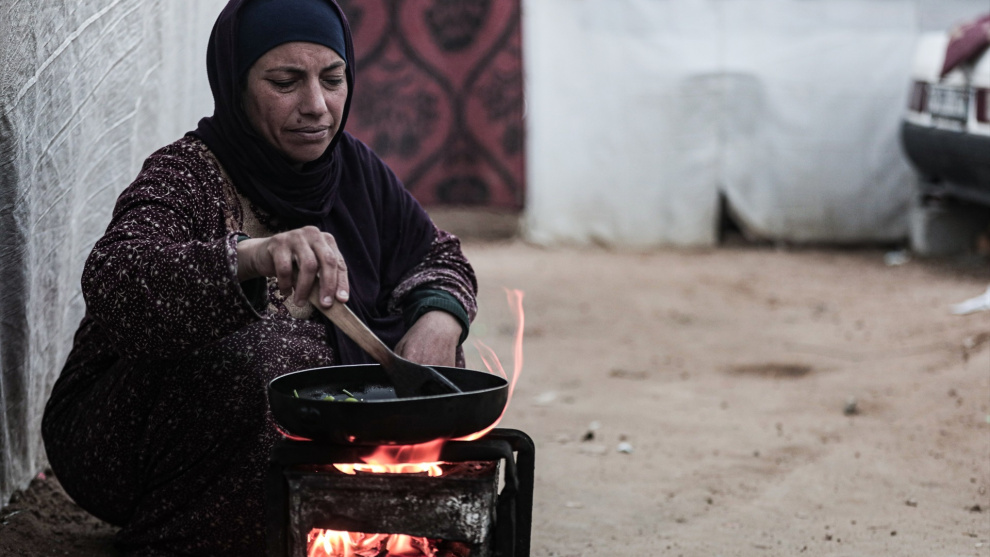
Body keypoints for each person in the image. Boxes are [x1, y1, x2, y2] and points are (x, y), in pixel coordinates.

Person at [41, 0, 477, 555]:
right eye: (285, 83)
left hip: (291, 443)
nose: (316, 106)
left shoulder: (354, 170)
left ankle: (344, 519)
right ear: (236, 86)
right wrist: (250, 257)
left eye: (332, 79)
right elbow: (116, 282)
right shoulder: (186, 174)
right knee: (264, 362)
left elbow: (437, 256)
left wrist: (438, 319)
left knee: (431, 358)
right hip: (120, 439)